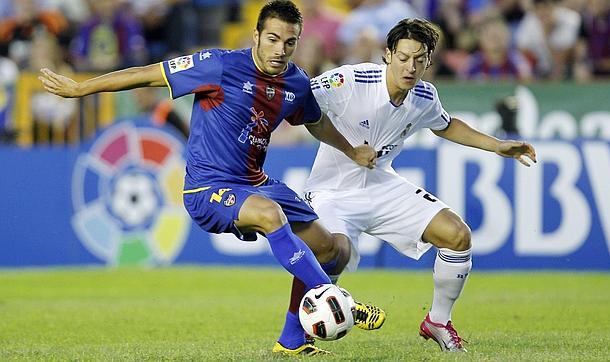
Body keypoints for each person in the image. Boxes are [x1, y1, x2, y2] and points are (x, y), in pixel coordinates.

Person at [39, 0, 384, 356]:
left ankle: (293, 340)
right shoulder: (218, 64)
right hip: (209, 188)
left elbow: (315, 122)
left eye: (290, 42)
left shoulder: (296, 81)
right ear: (256, 35)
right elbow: (146, 73)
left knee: (333, 250)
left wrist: (352, 150)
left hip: (255, 182)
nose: (280, 50)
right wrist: (81, 89)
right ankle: (339, 301)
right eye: (273, 39)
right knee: (269, 216)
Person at [303, 18, 537, 352]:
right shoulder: (352, 80)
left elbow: (445, 125)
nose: (410, 67)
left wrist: (497, 145)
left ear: (429, 61)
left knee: (457, 235)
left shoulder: (424, 95)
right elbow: (304, 105)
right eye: (403, 57)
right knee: (334, 256)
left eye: (419, 59)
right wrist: (349, 150)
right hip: (332, 191)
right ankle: (321, 318)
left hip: (381, 185)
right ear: (387, 54)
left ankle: (438, 322)